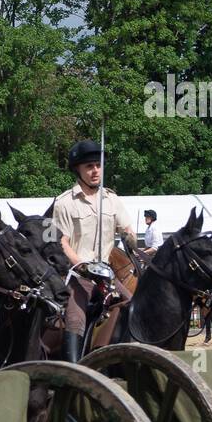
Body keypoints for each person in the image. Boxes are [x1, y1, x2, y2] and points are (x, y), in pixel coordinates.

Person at [52, 139, 138, 363]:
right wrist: (82, 265)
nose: (95, 171)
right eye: (89, 166)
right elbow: (63, 243)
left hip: (108, 275)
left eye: (98, 166)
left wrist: (130, 236)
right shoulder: (64, 203)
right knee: (75, 319)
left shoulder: (112, 199)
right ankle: (73, 371)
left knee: (134, 306)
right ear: (77, 170)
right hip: (79, 277)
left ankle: (108, 356)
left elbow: (127, 229)